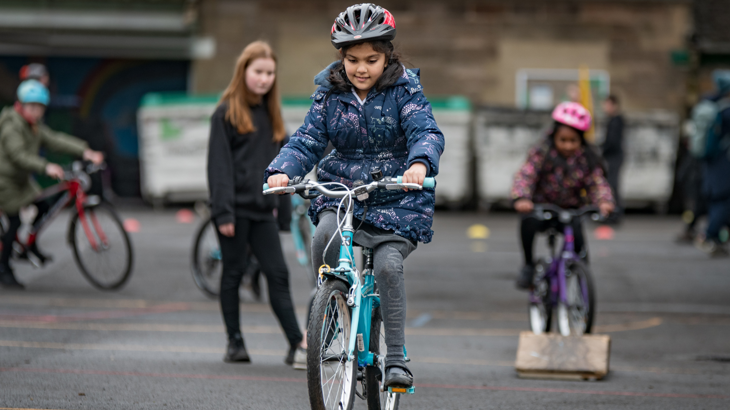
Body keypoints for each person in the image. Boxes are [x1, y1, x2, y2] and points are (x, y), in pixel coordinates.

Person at [266, 3, 445, 388]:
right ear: (341, 58)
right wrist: (283, 169)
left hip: (396, 193)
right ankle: (330, 316)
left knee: (386, 266)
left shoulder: (404, 90)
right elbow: (308, 140)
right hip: (344, 189)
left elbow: (425, 132)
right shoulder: (329, 93)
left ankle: (395, 358)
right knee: (322, 234)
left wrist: (419, 165)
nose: (361, 68)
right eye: (352, 59)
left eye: (371, 59)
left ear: (387, 57)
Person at [207, 41, 306, 368]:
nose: (264, 79)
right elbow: (218, 167)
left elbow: (285, 166)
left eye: (270, 73)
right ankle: (234, 342)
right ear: (244, 72)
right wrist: (223, 212)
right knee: (233, 273)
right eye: (258, 72)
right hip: (234, 211)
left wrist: (283, 216)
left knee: (277, 274)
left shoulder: (272, 115)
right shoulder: (225, 113)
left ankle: (297, 344)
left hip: (263, 211)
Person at [0, 80, 104, 289]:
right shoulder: (11, 125)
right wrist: (46, 167)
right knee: (14, 222)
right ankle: (4, 269)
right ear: (20, 105)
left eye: (40, 108)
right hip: (5, 181)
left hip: (21, 180)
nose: (37, 112)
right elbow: (18, 155)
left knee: (43, 205)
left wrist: (86, 151)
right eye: (32, 107)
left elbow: (56, 139)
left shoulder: (34, 126)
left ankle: (30, 245)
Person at [512, 102, 614, 289]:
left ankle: (579, 280)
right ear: (554, 137)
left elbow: (597, 182)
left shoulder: (587, 158)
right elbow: (526, 175)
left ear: (581, 140)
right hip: (542, 208)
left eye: (573, 141)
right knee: (527, 222)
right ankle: (528, 265)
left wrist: (604, 201)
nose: (568, 145)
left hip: (570, 211)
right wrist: (522, 197)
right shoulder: (542, 153)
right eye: (563, 140)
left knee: (581, 250)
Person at [693, 70, 730, 257]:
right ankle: (710, 236)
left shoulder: (713, 106)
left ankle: (715, 238)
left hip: (712, 165)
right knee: (722, 203)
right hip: (723, 166)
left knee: (717, 201)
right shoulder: (726, 112)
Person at [601, 94, 624, 223]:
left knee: (613, 185)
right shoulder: (612, 120)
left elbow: (612, 141)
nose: (605, 107)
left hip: (614, 157)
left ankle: (615, 212)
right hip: (612, 156)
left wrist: (603, 150)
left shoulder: (616, 120)